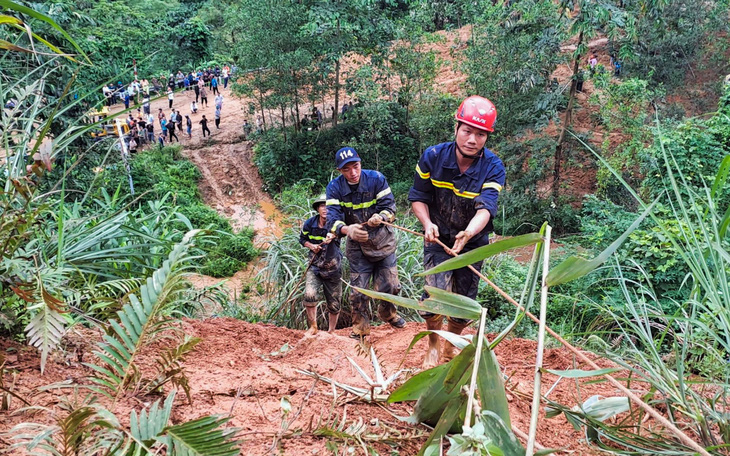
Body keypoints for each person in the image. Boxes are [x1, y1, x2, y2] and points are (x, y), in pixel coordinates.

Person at [408, 95, 506, 368]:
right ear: (456, 128)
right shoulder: (433, 157)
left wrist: (468, 232)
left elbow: (486, 207)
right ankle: (432, 344)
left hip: (472, 242)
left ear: (487, 137)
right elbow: (418, 197)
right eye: (467, 131)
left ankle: (449, 346)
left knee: (464, 302)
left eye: (480, 134)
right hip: (437, 236)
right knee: (433, 297)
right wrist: (427, 224)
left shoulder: (493, 167)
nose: (472, 139)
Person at [325, 146, 405, 338]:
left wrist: (381, 216)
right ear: (339, 171)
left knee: (391, 285)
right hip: (357, 246)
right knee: (359, 291)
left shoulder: (376, 179)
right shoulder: (334, 188)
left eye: (356, 166)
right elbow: (332, 220)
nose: (353, 173)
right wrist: (347, 229)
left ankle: (388, 313)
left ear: (361, 162)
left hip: (383, 242)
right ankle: (360, 328)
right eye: (347, 169)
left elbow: (390, 207)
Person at [299, 194, 343, 334]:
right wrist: (311, 246)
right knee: (309, 295)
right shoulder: (310, 223)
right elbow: (302, 239)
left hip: (333, 269)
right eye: (322, 206)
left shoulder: (335, 223)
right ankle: (313, 327)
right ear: (318, 208)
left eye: (328, 206)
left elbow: (342, 231)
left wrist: (333, 235)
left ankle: (331, 332)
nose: (325, 209)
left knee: (334, 303)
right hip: (315, 267)